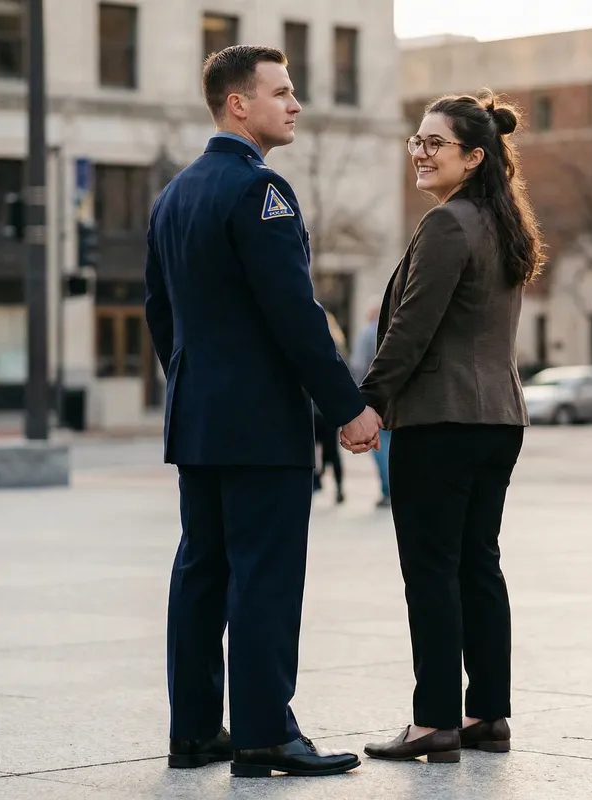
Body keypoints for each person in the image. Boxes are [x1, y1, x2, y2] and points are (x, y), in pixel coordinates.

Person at [145, 45, 380, 778]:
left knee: (201, 574)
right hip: (259, 425)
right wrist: (349, 406)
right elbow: (296, 314)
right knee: (265, 578)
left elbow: (159, 311)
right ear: (237, 104)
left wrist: (192, 387)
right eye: (281, 92)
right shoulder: (259, 191)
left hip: (200, 420)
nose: (295, 103)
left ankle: (194, 734)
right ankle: (264, 735)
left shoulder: (173, 195)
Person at [343, 91, 544, 763]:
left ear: (474, 156)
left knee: (431, 571)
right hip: (498, 421)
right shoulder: (503, 222)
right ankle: (488, 713)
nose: (420, 154)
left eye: (436, 144)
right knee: (477, 566)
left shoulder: (447, 226)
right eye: (416, 141)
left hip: (441, 419)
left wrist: (367, 401)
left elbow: (410, 331)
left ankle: (434, 722)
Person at [350, 298, 391, 508]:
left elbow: (357, 364)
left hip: (373, 397)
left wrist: (358, 398)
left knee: (380, 446)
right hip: (395, 396)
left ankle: (388, 490)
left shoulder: (367, 333)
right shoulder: (393, 328)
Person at [313, 311, 348, 504]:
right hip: (329, 409)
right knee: (333, 451)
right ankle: (339, 487)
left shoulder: (313, 343)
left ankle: (315, 482)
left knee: (313, 447)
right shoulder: (337, 345)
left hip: (313, 407)